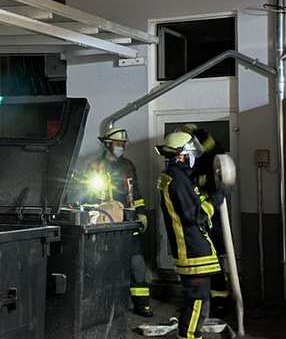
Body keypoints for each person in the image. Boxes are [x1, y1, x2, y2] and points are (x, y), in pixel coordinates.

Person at [76, 127, 153, 318]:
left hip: (128, 220)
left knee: (137, 264)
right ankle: (104, 303)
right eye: (118, 144)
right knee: (104, 264)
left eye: (123, 144)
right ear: (108, 144)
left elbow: (136, 194)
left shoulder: (128, 166)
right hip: (105, 222)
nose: (121, 147)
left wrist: (141, 214)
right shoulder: (94, 167)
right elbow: (84, 196)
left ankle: (141, 304)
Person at [155, 131, 222, 339]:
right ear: (182, 156)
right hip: (193, 252)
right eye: (192, 154)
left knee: (200, 301)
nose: (195, 159)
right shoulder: (178, 180)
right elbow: (196, 215)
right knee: (196, 302)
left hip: (194, 249)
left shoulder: (176, 177)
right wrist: (217, 199)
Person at [180, 124, 232, 315]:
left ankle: (220, 303)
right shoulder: (187, 168)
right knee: (202, 267)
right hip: (198, 221)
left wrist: (196, 132)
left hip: (211, 219)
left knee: (215, 262)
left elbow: (214, 149)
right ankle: (204, 302)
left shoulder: (208, 161)